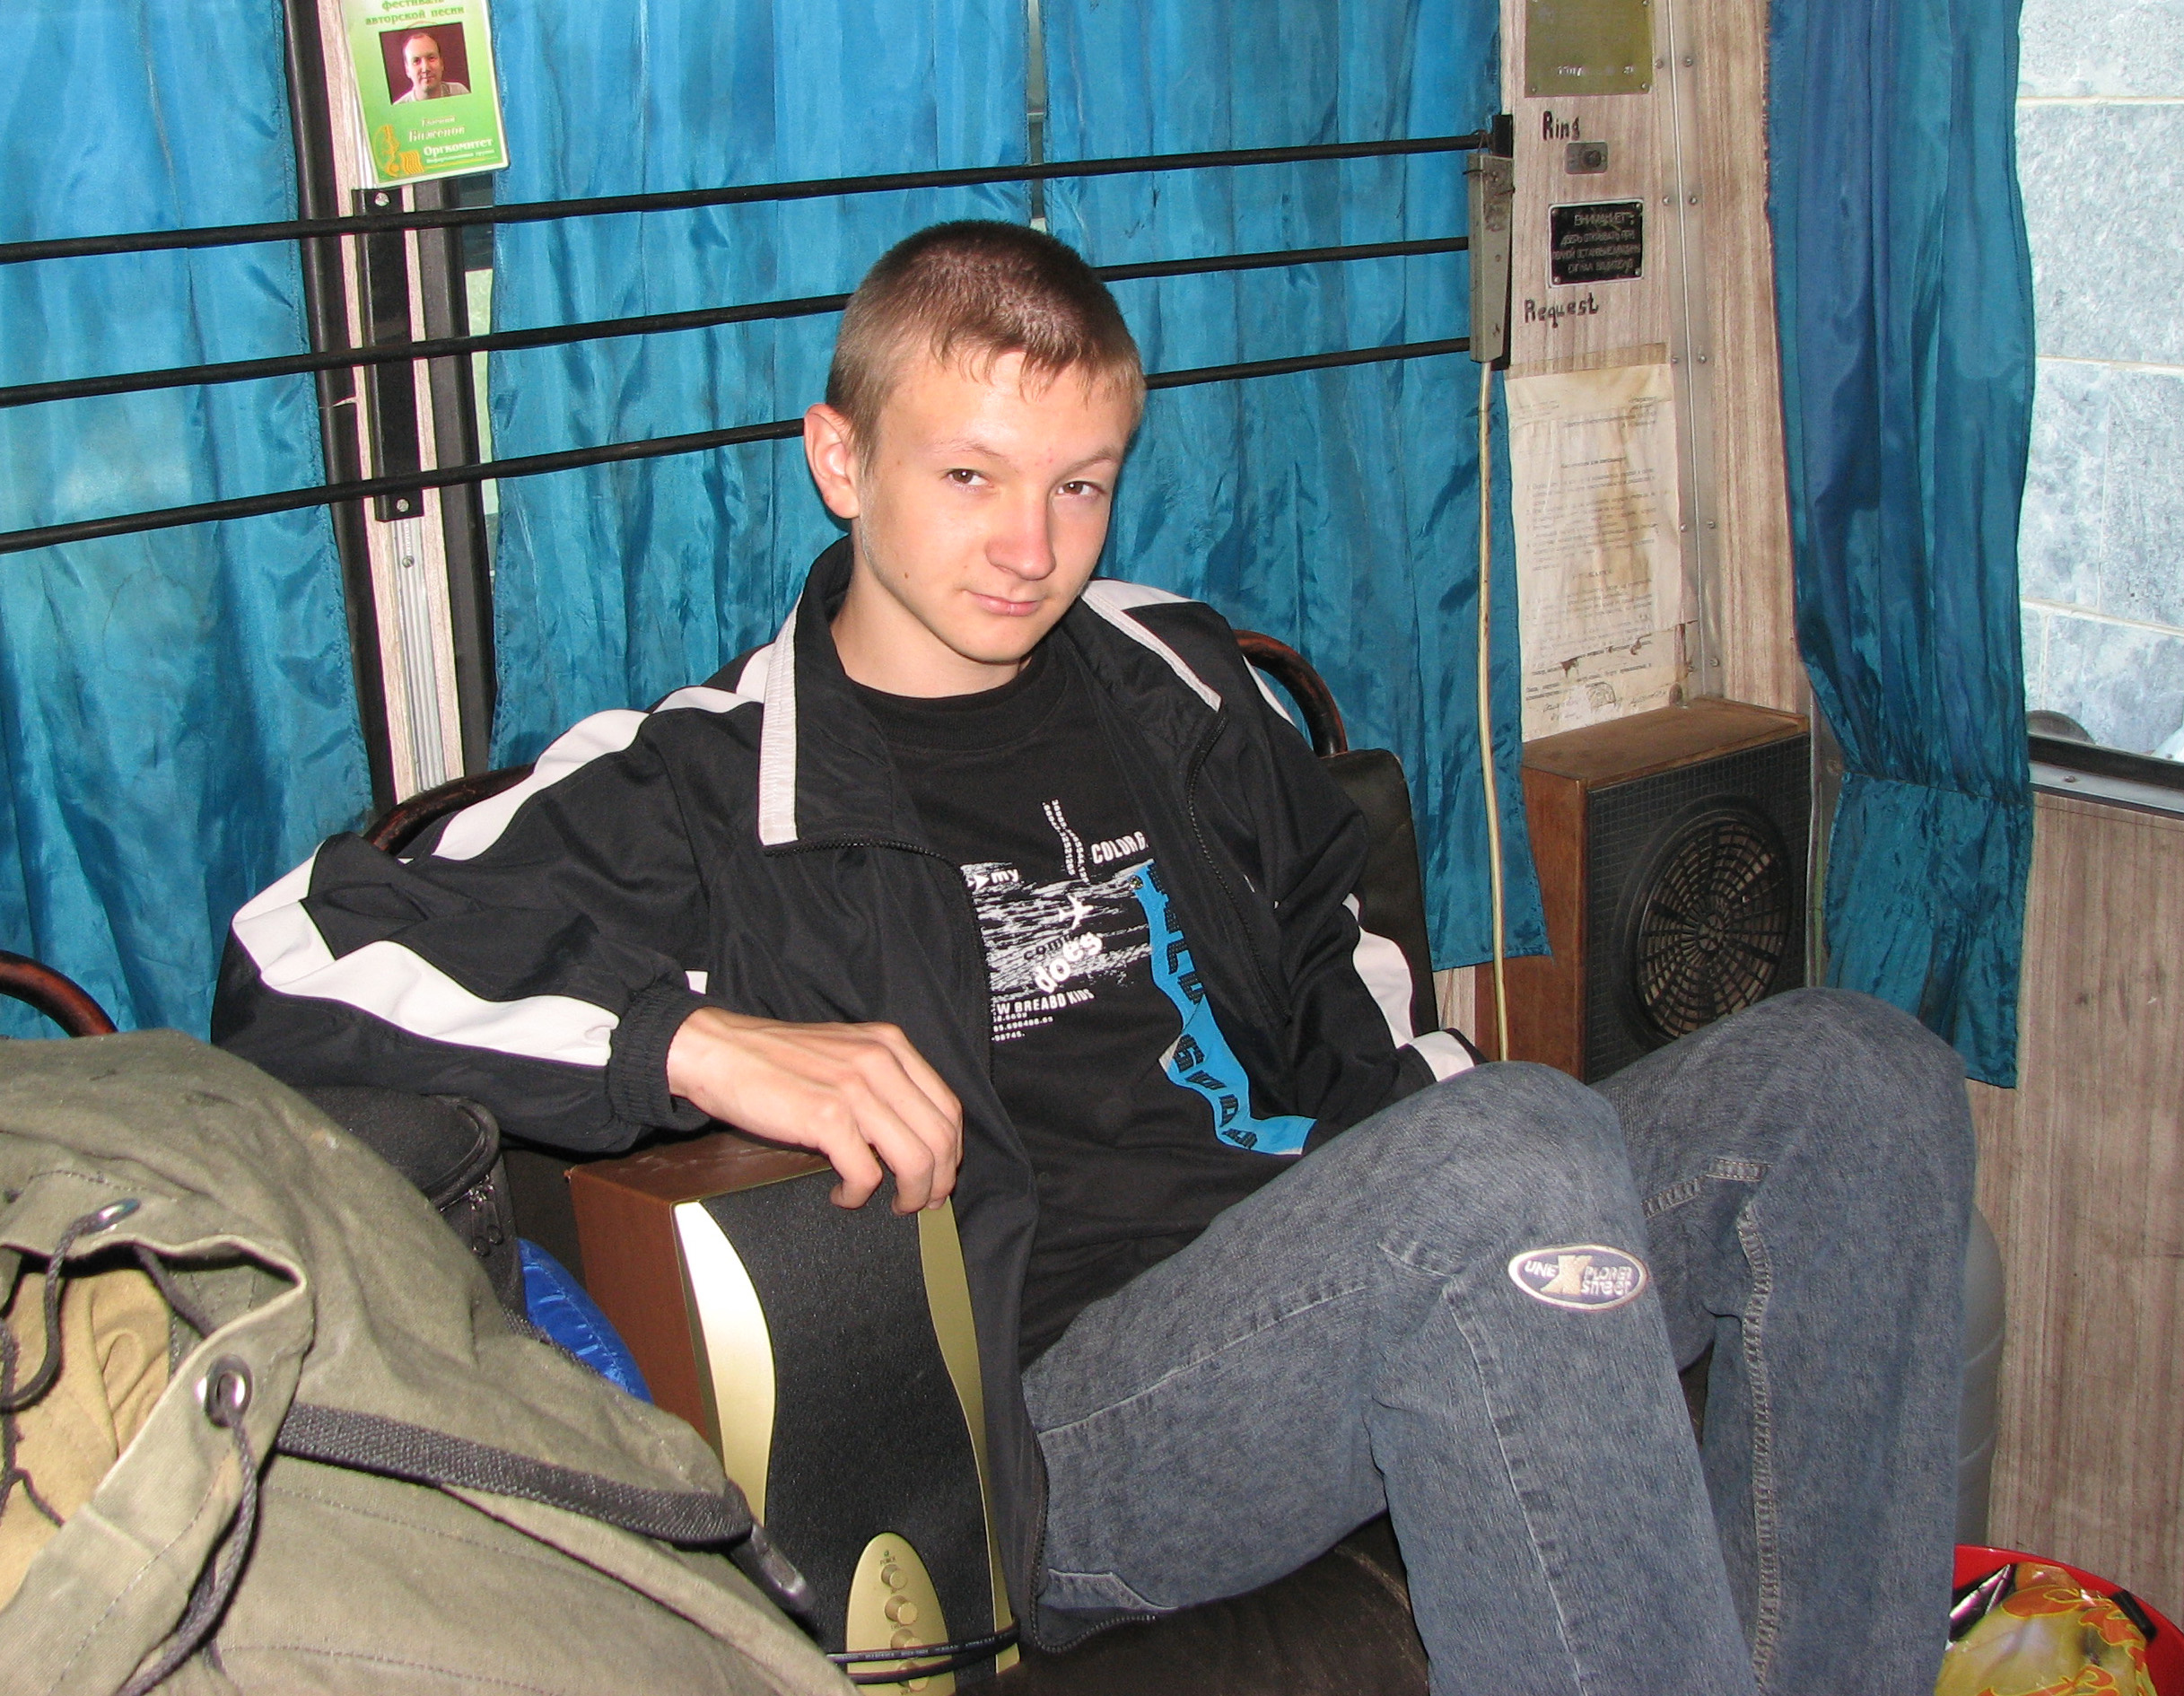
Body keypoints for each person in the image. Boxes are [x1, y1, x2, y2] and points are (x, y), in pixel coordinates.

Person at [213, 221, 1973, 1695]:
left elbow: (1340, 962)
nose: (1030, 548)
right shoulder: (701, 781)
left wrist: (1444, 1162)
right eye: (967, 477)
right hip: (1073, 1425)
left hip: (1344, 1255)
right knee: (1506, 1158)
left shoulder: (1178, 678)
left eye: (1079, 486)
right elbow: (292, 957)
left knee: (1851, 1078)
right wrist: (690, 1042)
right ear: (840, 461)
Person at [392, 32, 468, 102]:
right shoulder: (398, 109)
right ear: (407, 70)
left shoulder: (460, 93)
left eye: (431, 58)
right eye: (416, 61)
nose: (425, 68)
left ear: (441, 63)